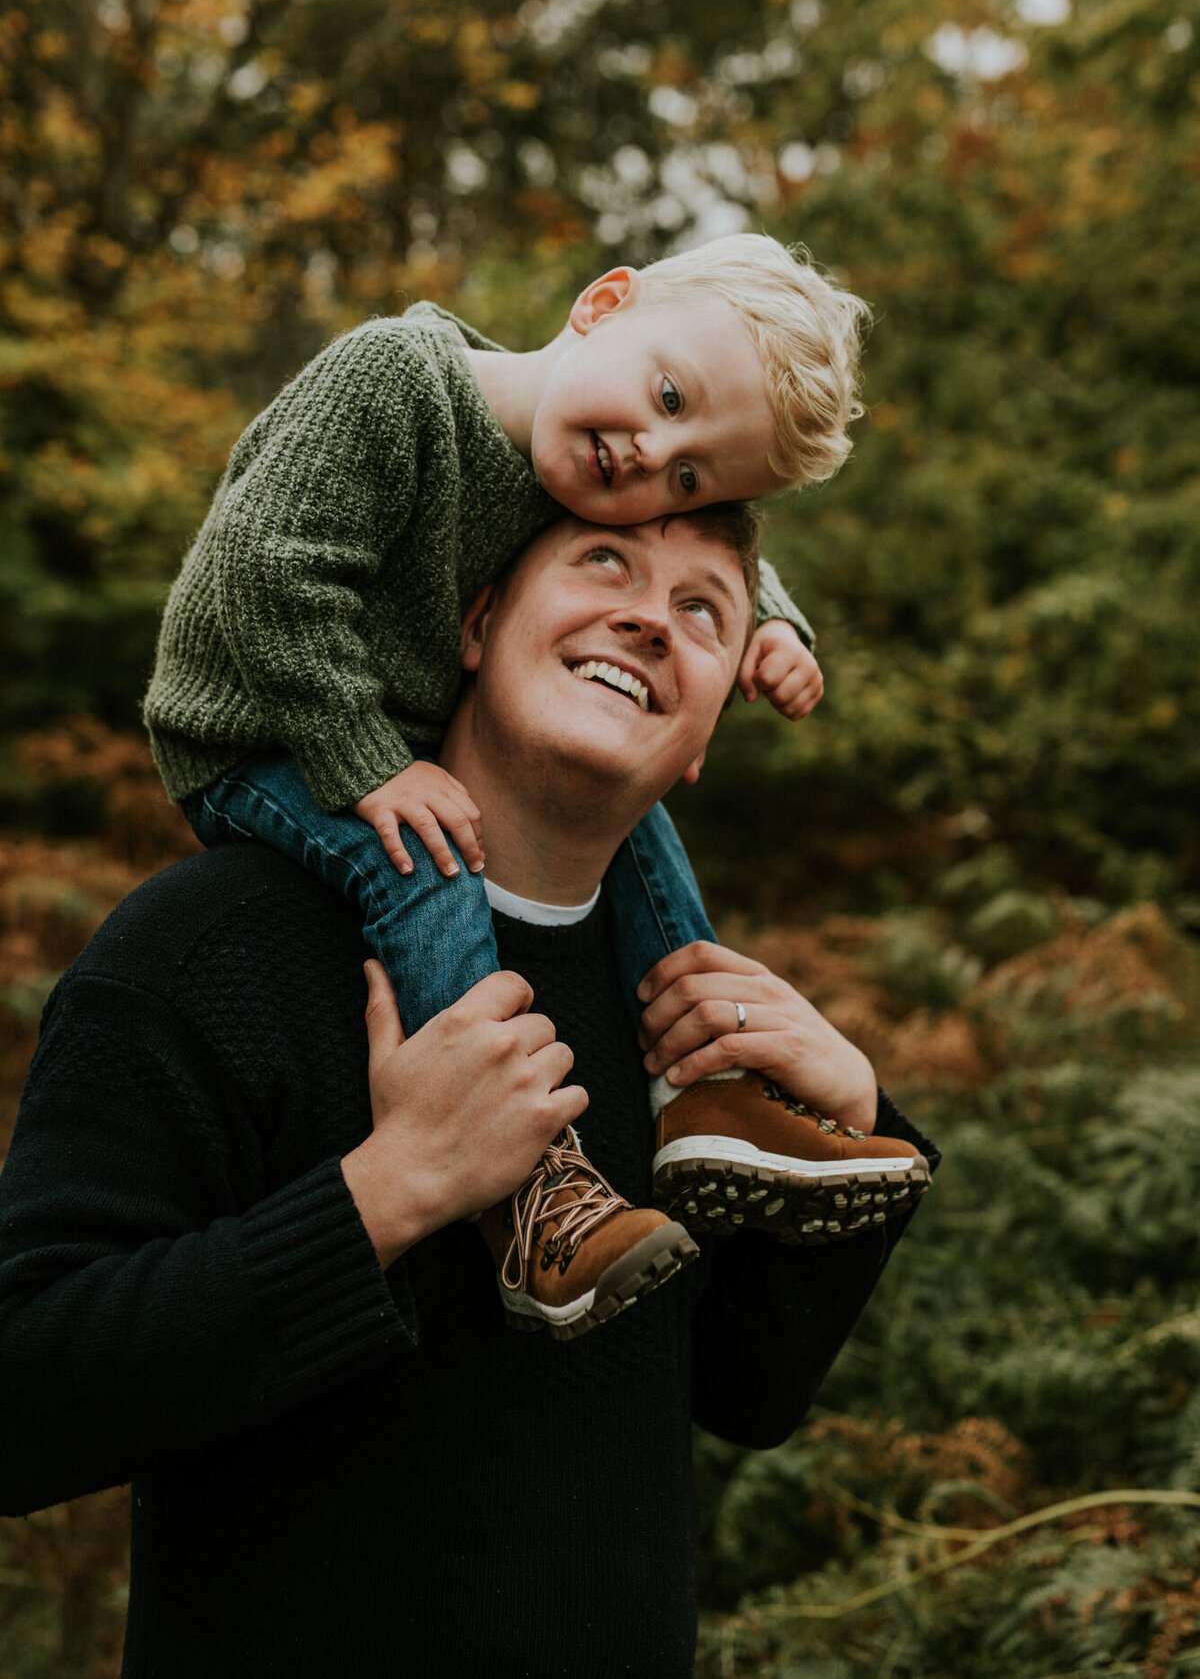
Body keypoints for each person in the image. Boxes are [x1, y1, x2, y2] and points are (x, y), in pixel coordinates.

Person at [0, 507, 938, 1678]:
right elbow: (23, 1391)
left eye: (705, 607)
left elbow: (742, 1390)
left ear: (703, 734)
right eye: (606, 561)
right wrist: (396, 1189)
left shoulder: (675, 1020)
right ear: (476, 624)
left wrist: (851, 1114)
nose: (650, 616)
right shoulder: (212, 943)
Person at [141, 234, 914, 1292]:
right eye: (670, 394)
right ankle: (528, 1184)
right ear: (602, 303)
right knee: (421, 854)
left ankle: (712, 1090)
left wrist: (773, 625)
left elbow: (720, 555)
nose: (651, 456)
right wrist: (369, 766)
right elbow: (265, 575)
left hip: (385, 732)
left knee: (642, 835)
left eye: (687, 471)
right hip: (256, 731)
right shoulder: (396, 383)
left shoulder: (589, 467)